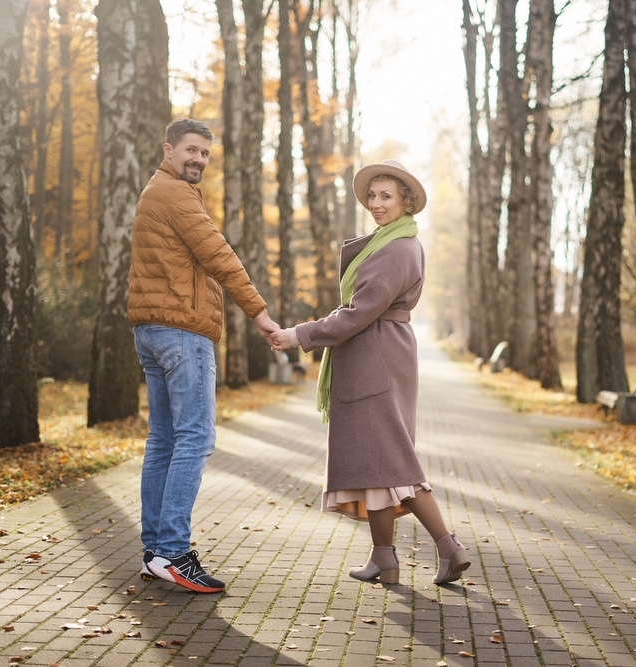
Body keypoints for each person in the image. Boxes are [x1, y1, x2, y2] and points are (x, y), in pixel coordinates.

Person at [269, 160, 471, 586]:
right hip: (377, 356)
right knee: (378, 463)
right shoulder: (390, 241)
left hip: (376, 359)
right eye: (372, 196)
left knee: (394, 460)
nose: (376, 204)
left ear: (406, 202)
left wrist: (298, 335)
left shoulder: (397, 248)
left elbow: (358, 313)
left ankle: (449, 548)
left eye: (386, 197)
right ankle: (384, 558)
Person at [128, 118, 278, 593]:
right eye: (191, 150)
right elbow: (219, 255)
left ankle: (155, 553)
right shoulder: (175, 194)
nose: (199, 159)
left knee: (164, 440)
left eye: (205, 153)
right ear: (168, 149)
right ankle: (173, 552)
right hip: (181, 332)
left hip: (152, 329)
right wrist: (259, 313)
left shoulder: (157, 191)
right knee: (195, 437)